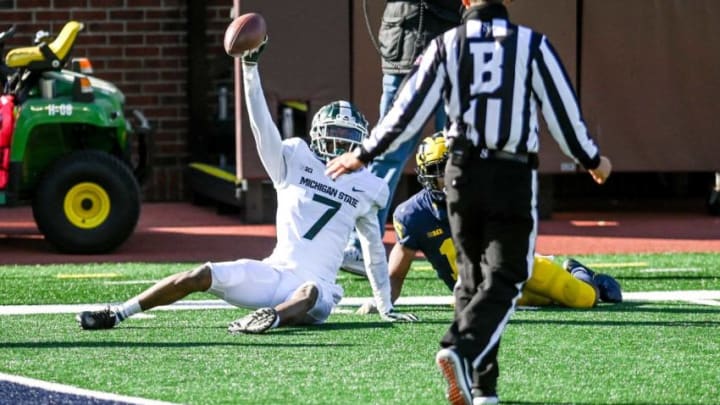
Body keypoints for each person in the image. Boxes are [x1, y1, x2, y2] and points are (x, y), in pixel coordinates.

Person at [324, 0, 613, 403]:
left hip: (459, 174)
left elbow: (406, 111)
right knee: (509, 275)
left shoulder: (446, 45)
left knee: (471, 279)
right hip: (509, 171)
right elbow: (562, 113)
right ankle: (460, 346)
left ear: (463, 2)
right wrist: (592, 160)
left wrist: (363, 153)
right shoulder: (531, 45)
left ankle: (483, 389)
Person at [76, 37, 418, 334]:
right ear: (317, 134)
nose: (341, 146)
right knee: (201, 274)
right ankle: (118, 313)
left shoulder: (369, 185)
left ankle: (272, 318)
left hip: (320, 290)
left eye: (348, 139)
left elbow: (374, 251)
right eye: (335, 136)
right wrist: (250, 70)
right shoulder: (295, 157)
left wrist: (385, 305)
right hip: (275, 273)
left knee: (310, 291)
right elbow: (262, 128)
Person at [357, 134, 622, 315]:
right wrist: (380, 301)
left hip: (517, 269)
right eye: (443, 170)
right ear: (428, 176)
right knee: (533, 302)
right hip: (479, 290)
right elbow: (395, 277)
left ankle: (579, 272)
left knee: (583, 299)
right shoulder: (412, 215)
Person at [341, 0, 463, 275]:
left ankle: (468, 243)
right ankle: (360, 246)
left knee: (457, 150)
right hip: (408, 43)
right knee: (387, 153)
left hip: (446, 40)